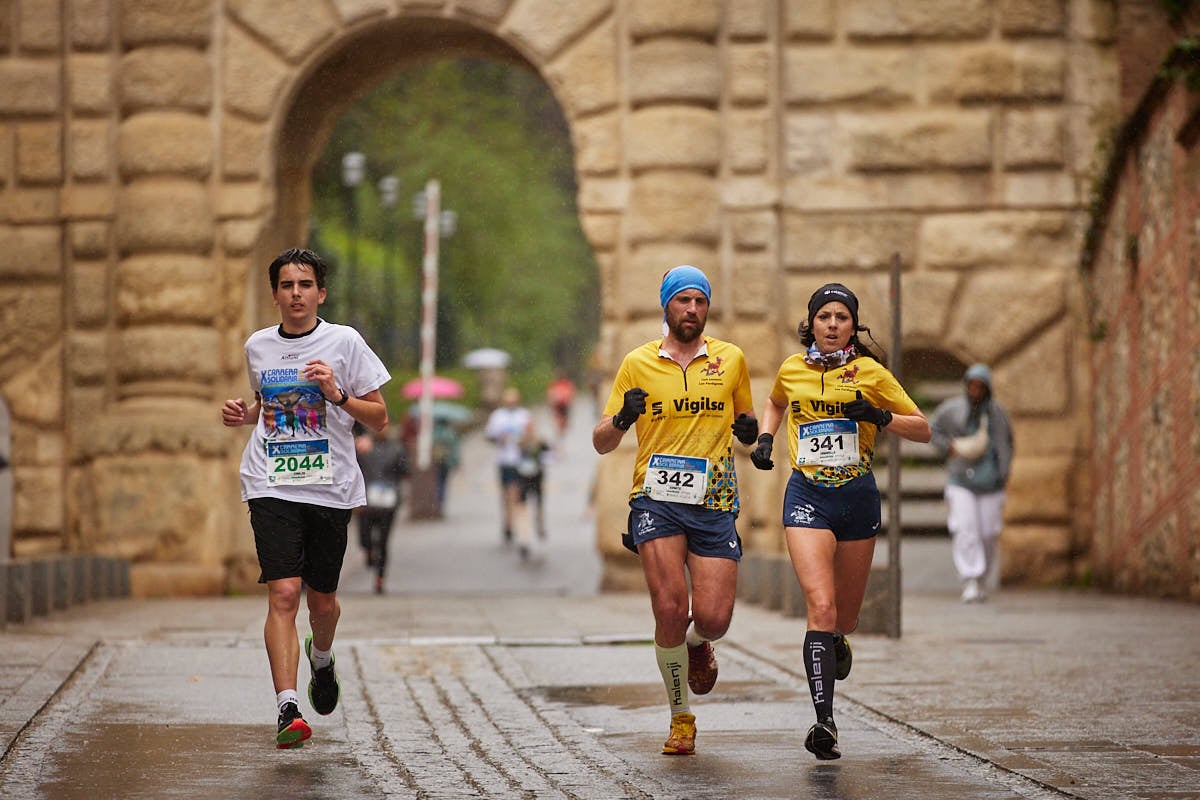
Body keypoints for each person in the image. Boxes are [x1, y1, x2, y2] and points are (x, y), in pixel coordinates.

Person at [750, 282, 930, 761]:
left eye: (841, 317)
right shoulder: (792, 368)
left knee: (844, 617)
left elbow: (924, 428)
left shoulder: (870, 372)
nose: (832, 325)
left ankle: (837, 641)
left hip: (857, 499)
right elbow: (774, 402)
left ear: (853, 325)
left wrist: (879, 415)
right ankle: (824, 721)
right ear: (811, 324)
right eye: (824, 317)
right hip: (806, 496)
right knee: (821, 606)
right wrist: (766, 439)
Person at [221, 247, 390, 749]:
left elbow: (379, 416)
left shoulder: (345, 342)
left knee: (323, 603)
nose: (296, 293)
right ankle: (287, 707)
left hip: (329, 486)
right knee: (284, 594)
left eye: (305, 284)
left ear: (320, 292)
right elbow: (269, 405)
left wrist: (338, 394)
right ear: (274, 294)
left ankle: (322, 657)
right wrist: (245, 414)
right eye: (287, 285)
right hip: (270, 480)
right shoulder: (257, 346)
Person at [592, 265, 759, 756]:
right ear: (666, 305)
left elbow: (746, 419)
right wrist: (623, 416)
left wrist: (749, 434)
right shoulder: (636, 363)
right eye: (683, 301)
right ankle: (680, 715)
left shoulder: (730, 359)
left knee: (714, 616)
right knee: (668, 607)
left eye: (700, 302)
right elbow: (602, 441)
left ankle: (695, 642)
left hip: (714, 501)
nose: (692, 310)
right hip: (655, 499)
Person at [929, 363, 1013, 603]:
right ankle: (971, 578)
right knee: (966, 529)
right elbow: (933, 430)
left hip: (990, 481)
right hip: (960, 478)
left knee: (987, 532)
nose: (975, 390)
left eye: (980, 386)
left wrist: (1003, 473)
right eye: (972, 385)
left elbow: (1007, 444)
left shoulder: (997, 414)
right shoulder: (952, 409)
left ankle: (982, 577)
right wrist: (949, 447)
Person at [354, 425, 408, 594]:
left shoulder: (396, 449)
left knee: (383, 541)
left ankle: (380, 578)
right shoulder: (362, 446)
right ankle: (369, 552)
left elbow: (404, 470)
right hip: (366, 501)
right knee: (364, 537)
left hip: (387, 501)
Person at [484, 386, 534, 545]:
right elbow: (489, 436)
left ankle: (512, 524)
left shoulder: (524, 415)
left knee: (515, 492)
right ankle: (508, 521)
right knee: (506, 494)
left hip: (519, 461)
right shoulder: (497, 416)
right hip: (503, 460)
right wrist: (499, 438)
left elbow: (532, 436)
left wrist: (524, 440)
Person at [546, 368, 576, 441]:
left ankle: (562, 434)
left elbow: (571, 394)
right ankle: (560, 435)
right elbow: (550, 395)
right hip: (558, 406)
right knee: (560, 422)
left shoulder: (566, 384)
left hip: (564, 406)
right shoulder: (554, 384)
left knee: (563, 423)